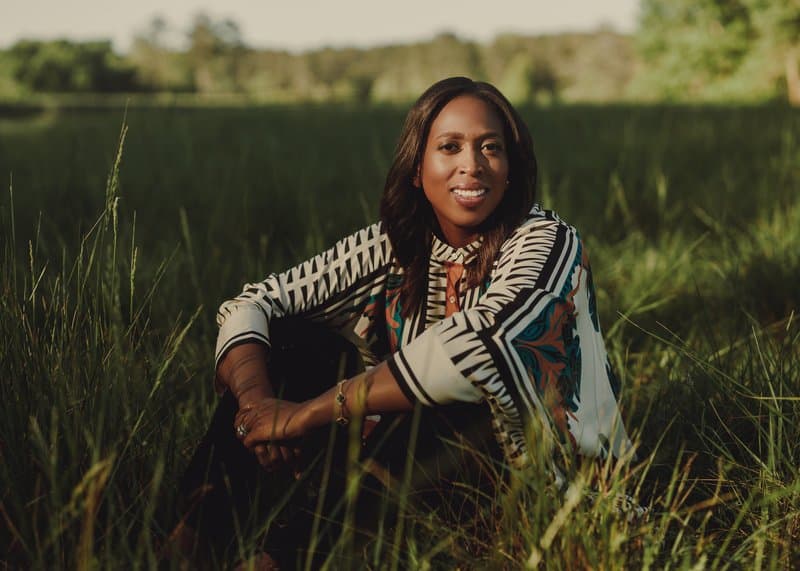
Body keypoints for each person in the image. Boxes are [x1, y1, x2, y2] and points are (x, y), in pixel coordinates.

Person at [173, 76, 634, 567]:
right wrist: (259, 407)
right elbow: (253, 303)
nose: (471, 165)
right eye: (450, 147)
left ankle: (279, 561)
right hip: (411, 471)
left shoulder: (547, 242)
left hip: (545, 484)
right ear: (417, 168)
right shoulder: (395, 244)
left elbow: (478, 348)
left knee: (455, 398)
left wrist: (305, 414)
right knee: (293, 341)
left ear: (511, 167)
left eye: (490, 148)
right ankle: (189, 543)